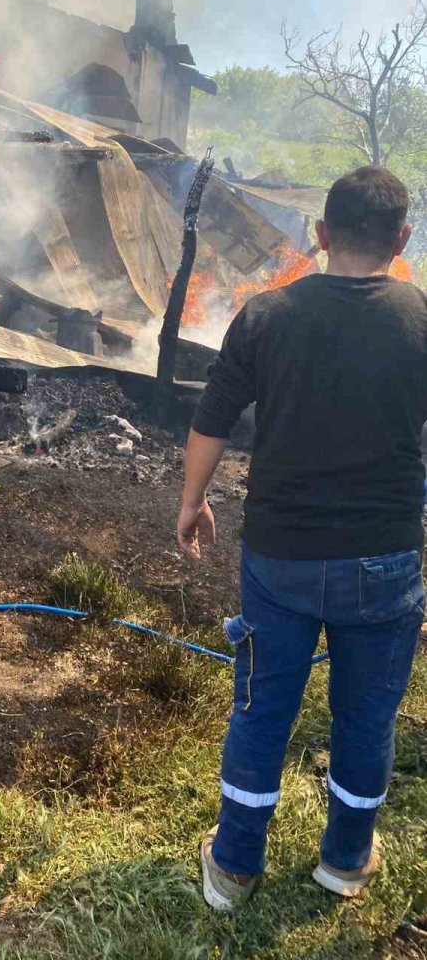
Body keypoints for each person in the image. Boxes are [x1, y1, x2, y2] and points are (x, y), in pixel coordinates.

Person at [177, 166, 426, 911]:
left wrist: (192, 501)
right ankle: (346, 861)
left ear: (319, 236)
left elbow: (213, 417)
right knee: (366, 714)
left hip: (280, 557)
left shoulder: (266, 314)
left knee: (261, 709)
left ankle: (232, 869)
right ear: (403, 239)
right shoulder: (423, 321)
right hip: (386, 562)